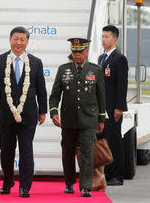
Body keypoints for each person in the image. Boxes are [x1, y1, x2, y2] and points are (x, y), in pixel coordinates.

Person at [0, 26, 47, 198]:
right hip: (6, 115)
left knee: (26, 150)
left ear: (27, 41)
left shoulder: (36, 62)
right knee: (6, 150)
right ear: (10, 40)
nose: (19, 42)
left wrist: (43, 110)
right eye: (16, 39)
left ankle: (25, 186)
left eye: (22, 39)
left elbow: (41, 89)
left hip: (29, 115)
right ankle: (7, 181)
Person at [49, 38, 106, 197]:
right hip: (68, 120)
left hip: (88, 119)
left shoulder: (95, 70)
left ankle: (86, 186)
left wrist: (101, 119)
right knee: (67, 152)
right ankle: (68, 183)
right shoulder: (63, 70)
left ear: (86, 52)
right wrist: (54, 112)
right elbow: (54, 95)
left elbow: (101, 96)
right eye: (74, 52)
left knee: (87, 152)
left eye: (80, 52)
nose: (77, 55)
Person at [97, 25, 128, 186]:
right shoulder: (101, 58)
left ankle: (117, 175)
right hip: (102, 109)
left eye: (107, 36)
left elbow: (122, 85)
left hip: (113, 108)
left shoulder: (119, 58)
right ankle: (107, 173)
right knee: (104, 141)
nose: (103, 39)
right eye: (102, 36)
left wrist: (119, 107)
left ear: (115, 39)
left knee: (115, 141)